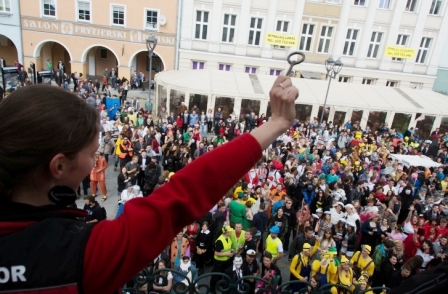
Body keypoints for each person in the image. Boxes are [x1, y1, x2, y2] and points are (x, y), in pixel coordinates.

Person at [0, 76, 298, 293]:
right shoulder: (80, 254)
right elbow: (183, 194)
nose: (96, 162)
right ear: (59, 166)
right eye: (92, 154)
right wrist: (276, 123)